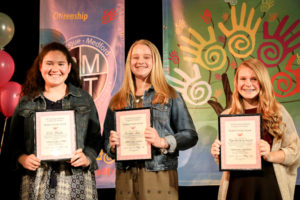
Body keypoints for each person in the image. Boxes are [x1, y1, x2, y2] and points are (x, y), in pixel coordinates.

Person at [103, 39, 198, 200]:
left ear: (155, 62)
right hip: (126, 177)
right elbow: (105, 141)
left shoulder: (170, 95)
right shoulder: (117, 100)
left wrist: (163, 142)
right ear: (129, 62)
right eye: (135, 57)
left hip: (160, 175)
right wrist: (112, 146)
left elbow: (190, 135)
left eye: (147, 57)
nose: (140, 61)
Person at [7, 42, 102, 199]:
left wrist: (87, 157)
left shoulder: (84, 99)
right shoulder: (27, 102)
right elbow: (13, 143)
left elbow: (95, 138)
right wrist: (22, 158)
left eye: (61, 64)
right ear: (40, 66)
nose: (55, 69)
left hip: (76, 178)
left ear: (69, 68)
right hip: (36, 179)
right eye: (49, 63)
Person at [211, 59, 300, 200]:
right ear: (236, 82)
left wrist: (271, 154)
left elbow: (296, 152)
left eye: (254, 79)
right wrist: (218, 153)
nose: (248, 84)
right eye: (243, 79)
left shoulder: (278, 112)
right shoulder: (227, 116)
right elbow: (224, 160)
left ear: (263, 81)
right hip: (236, 187)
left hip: (269, 186)